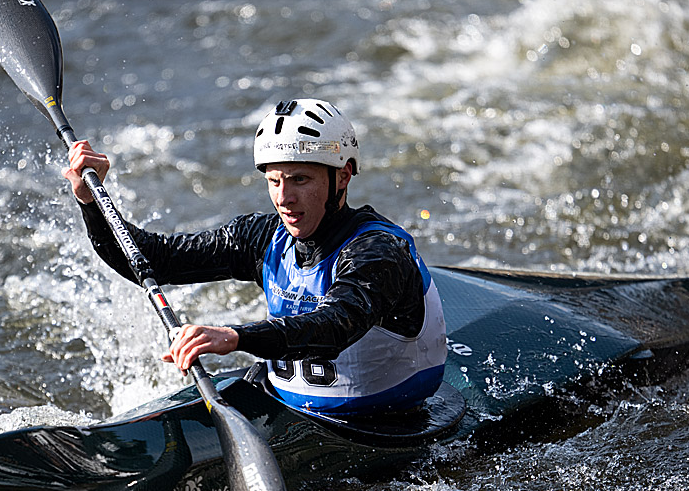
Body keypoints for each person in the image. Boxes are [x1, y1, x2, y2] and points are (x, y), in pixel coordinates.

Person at [64, 98, 446, 418]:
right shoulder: (263, 237)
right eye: (274, 181)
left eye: (300, 180)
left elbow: (335, 327)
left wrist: (235, 337)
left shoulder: (376, 253)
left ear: (342, 177)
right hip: (288, 407)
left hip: (387, 422)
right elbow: (154, 260)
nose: (284, 198)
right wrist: (90, 201)